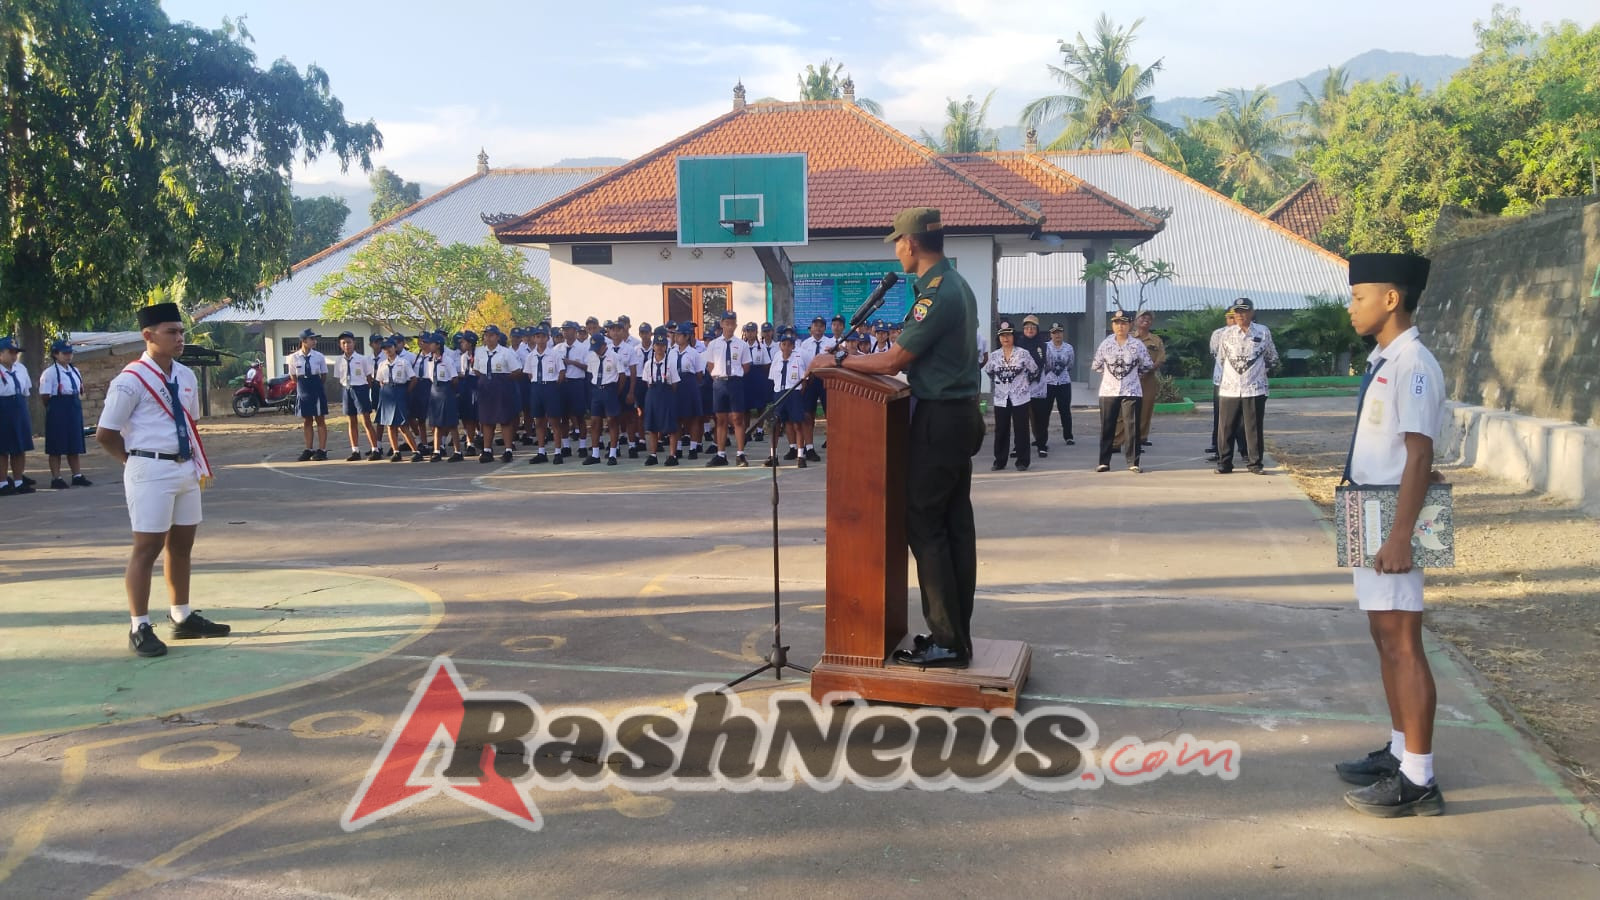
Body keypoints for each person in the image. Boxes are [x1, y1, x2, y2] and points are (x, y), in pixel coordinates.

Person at [809, 207, 984, 669]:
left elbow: (893, 361)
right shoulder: (954, 284)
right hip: (958, 415)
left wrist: (838, 363)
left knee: (925, 525)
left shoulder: (938, 293)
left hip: (941, 418)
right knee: (951, 527)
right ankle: (953, 634)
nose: (895, 249)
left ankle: (949, 639)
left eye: (896, 242)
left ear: (910, 243)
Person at [1335, 252, 1447, 818]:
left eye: (1358, 296)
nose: (1350, 306)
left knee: (1404, 643)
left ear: (1391, 299)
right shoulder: (1385, 358)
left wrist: (1401, 535)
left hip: (1392, 514)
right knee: (1385, 639)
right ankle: (1402, 752)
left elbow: (1420, 453)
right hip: (1368, 505)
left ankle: (1420, 780)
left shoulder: (1414, 363)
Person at [94, 302, 228, 657]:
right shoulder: (129, 380)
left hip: (185, 467)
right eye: (172, 332)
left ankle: (181, 616)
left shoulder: (184, 376)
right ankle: (139, 625)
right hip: (149, 468)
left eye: (181, 331)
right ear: (148, 335)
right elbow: (105, 434)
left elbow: (190, 422)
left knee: (182, 544)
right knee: (147, 547)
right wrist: (133, 462)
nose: (180, 338)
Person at [1216, 297, 1279, 475]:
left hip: (1255, 388)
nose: (1240, 315)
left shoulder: (1263, 332)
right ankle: (1224, 463)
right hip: (1230, 388)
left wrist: (1258, 373)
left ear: (1252, 312)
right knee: (1226, 427)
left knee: (1253, 427)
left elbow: (1272, 357)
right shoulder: (1226, 334)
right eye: (1237, 312)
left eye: (1244, 311)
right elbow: (1221, 359)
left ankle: (1255, 464)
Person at [1091, 312, 1154, 473]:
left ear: (1130, 325)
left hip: (1131, 389)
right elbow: (1097, 366)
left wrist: (1133, 376)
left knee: (1131, 426)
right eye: (1117, 323)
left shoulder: (1137, 345)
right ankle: (1104, 461)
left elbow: (1146, 365)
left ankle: (1133, 462)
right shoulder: (1105, 344)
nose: (1120, 326)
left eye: (1124, 323)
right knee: (1107, 426)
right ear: (1112, 325)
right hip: (1108, 390)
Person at [984, 324, 1037, 471]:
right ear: (999, 338)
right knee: (1001, 429)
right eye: (1002, 335)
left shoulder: (1023, 353)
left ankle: (1022, 461)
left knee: (1021, 429)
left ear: (1014, 336)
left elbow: (1034, 370)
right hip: (1001, 398)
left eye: (1008, 335)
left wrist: (1023, 384)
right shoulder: (994, 356)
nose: (1005, 338)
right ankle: (999, 461)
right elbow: (989, 372)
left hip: (1020, 397)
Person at [40, 340, 92, 489]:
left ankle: (77, 475)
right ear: (56, 354)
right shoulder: (49, 373)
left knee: (74, 444)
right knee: (56, 445)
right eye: (65, 353)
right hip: (58, 408)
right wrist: (55, 409)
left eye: (70, 353)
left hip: (73, 406)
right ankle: (56, 477)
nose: (68, 356)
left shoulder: (75, 371)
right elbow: (45, 396)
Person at [704, 310, 752, 467]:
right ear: (722, 324)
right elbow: (710, 365)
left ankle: (740, 454)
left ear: (736, 325)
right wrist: (719, 377)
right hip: (719, 383)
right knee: (721, 419)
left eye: (732, 323)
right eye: (727, 323)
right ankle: (721, 453)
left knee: (738, 418)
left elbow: (746, 366)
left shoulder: (742, 345)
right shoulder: (714, 344)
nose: (730, 326)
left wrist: (734, 376)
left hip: (735, 382)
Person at [474, 325, 521, 463]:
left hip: (501, 387)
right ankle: (487, 450)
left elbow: (517, 370)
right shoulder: (480, 351)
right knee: (486, 420)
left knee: (505, 419)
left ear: (497, 337)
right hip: (485, 388)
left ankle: (508, 450)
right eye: (486, 335)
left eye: (491, 335)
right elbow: (476, 370)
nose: (488, 338)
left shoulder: (505, 352)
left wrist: (503, 380)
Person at [333, 331, 381, 461]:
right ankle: (355, 450)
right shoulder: (339, 360)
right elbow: (339, 377)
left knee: (366, 420)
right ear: (340, 345)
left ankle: (375, 449)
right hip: (346, 389)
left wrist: (365, 391)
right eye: (343, 343)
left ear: (354, 343)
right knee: (351, 421)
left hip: (360, 389)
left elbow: (369, 378)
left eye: (349, 342)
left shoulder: (362, 359)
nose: (346, 345)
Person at [766, 327, 809, 468]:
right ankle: (773, 456)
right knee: (775, 425)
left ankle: (800, 456)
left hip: (793, 393)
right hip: (779, 393)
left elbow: (804, 379)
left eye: (789, 344)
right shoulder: (777, 359)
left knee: (797, 424)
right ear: (780, 345)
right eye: (783, 344)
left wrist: (798, 392)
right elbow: (773, 378)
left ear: (793, 346)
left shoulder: (797, 360)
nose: (786, 347)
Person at [523, 325, 566, 465]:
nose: (540, 339)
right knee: (539, 421)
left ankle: (558, 452)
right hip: (536, 387)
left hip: (550, 387)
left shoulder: (555, 354)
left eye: (543, 336)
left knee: (554, 421)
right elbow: (529, 374)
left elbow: (561, 372)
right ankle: (541, 451)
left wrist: (552, 386)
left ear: (548, 338)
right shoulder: (531, 356)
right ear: (534, 338)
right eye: (537, 336)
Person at [374, 338, 421, 461]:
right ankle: (396, 451)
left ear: (395, 347)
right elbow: (380, 381)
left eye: (390, 347)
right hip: (387, 393)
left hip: (400, 390)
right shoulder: (382, 364)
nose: (387, 350)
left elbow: (413, 379)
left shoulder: (403, 362)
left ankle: (415, 451)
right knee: (390, 425)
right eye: (385, 348)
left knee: (403, 424)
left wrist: (405, 392)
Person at [0, 336, 36, 495]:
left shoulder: (20, 369)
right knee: (2, 449)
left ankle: (19, 481)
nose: (14, 356)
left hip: (19, 406)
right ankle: (2, 483)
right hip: (2, 408)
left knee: (19, 447)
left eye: (16, 352)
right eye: (11, 352)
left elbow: (26, 390)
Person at [795, 317, 833, 463]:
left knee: (830, 413)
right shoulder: (804, 344)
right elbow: (802, 364)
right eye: (815, 326)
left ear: (825, 328)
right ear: (811, 328)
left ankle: (832, 444)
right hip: (809, 380)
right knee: (807, 414)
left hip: (825, 379)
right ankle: (809, 447)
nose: (818, 329)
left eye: (821, 326)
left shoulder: (830, 343)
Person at [640, 332, 680, 466]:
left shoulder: (671, 363)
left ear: (666, 347)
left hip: (667, 394)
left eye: (663, 345)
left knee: (670, 426)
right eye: (657, 344)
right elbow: (647, 382)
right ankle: (653, 454)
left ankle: (672, 455)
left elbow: (674, 384)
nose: (660, 348)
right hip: (653, 395)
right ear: (653, 346)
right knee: (652, 426)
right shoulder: (648, 364)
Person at [288, 328, 329, 461]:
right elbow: (293, 376)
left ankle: (322, 449)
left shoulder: (319, 356)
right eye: (311, 339)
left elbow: (323, 375)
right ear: (304, 341)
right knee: (307, 420)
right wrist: (303, 386)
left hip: (316, 388)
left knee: (320, 419)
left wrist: (315, 385)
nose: (314, 341)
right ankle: (308, 448)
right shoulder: (294, 357)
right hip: (303, 388)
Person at [582, 335, 623, 465]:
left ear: (604, 345)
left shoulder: (614, 356)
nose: (596, 350)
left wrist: (616, 392)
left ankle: (612, 453)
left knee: (612, 421)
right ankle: (595, 454)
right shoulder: (592, 357)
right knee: (595, 422)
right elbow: (590, 373)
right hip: (596, 389)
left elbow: (622, 376)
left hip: (610, 388)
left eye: (598, 348)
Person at [422, 332, 463, 462]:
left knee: (451, 424)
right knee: (436, 424)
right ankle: (437, 450)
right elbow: (429, 377)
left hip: (446, 391)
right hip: (435, 392)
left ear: (438, 345)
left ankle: (457, 451)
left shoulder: (447, 360)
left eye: (431, 343)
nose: (428, 346)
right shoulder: (429, 361)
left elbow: (454, 379)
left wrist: (450, 391)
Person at [668, 324, 704, 459]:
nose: (676, 337)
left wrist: (694, 384)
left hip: (689, 384)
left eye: (679, 335)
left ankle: (693, 447)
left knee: (693, 417)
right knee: (677, 418)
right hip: (675, 385)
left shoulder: (694, 353)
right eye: (675, 335)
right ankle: (677, 448)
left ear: (687, 336)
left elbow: (699, 374)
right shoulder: (671, 352)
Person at [1017, 315, 1051, 458]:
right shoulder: (1018, 344)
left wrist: (1038, 376)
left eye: (1032, 327)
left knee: (1040, 417)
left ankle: (1041, 444)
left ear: (1037, 329)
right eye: (1027, 327)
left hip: (1039, 387)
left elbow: (1049, 365)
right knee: (1021, 418)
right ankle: (1018, 446)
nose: (1029, 330)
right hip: (1020, 388)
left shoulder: (1043, 345)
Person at [1042, 323, 1076, 447]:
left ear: (1063, 333)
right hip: (1048, 383)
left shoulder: (1069, 348)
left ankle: (1068, 436)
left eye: (1059, 332)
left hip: (1064, 382)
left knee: (1065, 411)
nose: (1057, 335)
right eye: (1054, 332)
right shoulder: (1045, 347)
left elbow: (1070, 364)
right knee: (1045, 412)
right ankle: (1041, 438)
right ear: (1050, 334)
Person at [455, 331, 482, 457]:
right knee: (466, 416)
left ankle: (479, 438)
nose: (462, 344)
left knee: (477, 415)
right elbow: (463, 372)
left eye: (464, 342)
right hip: (466, 385)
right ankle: (469, 442)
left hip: (477, 384)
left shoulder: (480, 355)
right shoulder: (463, 357)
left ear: (470, 343)